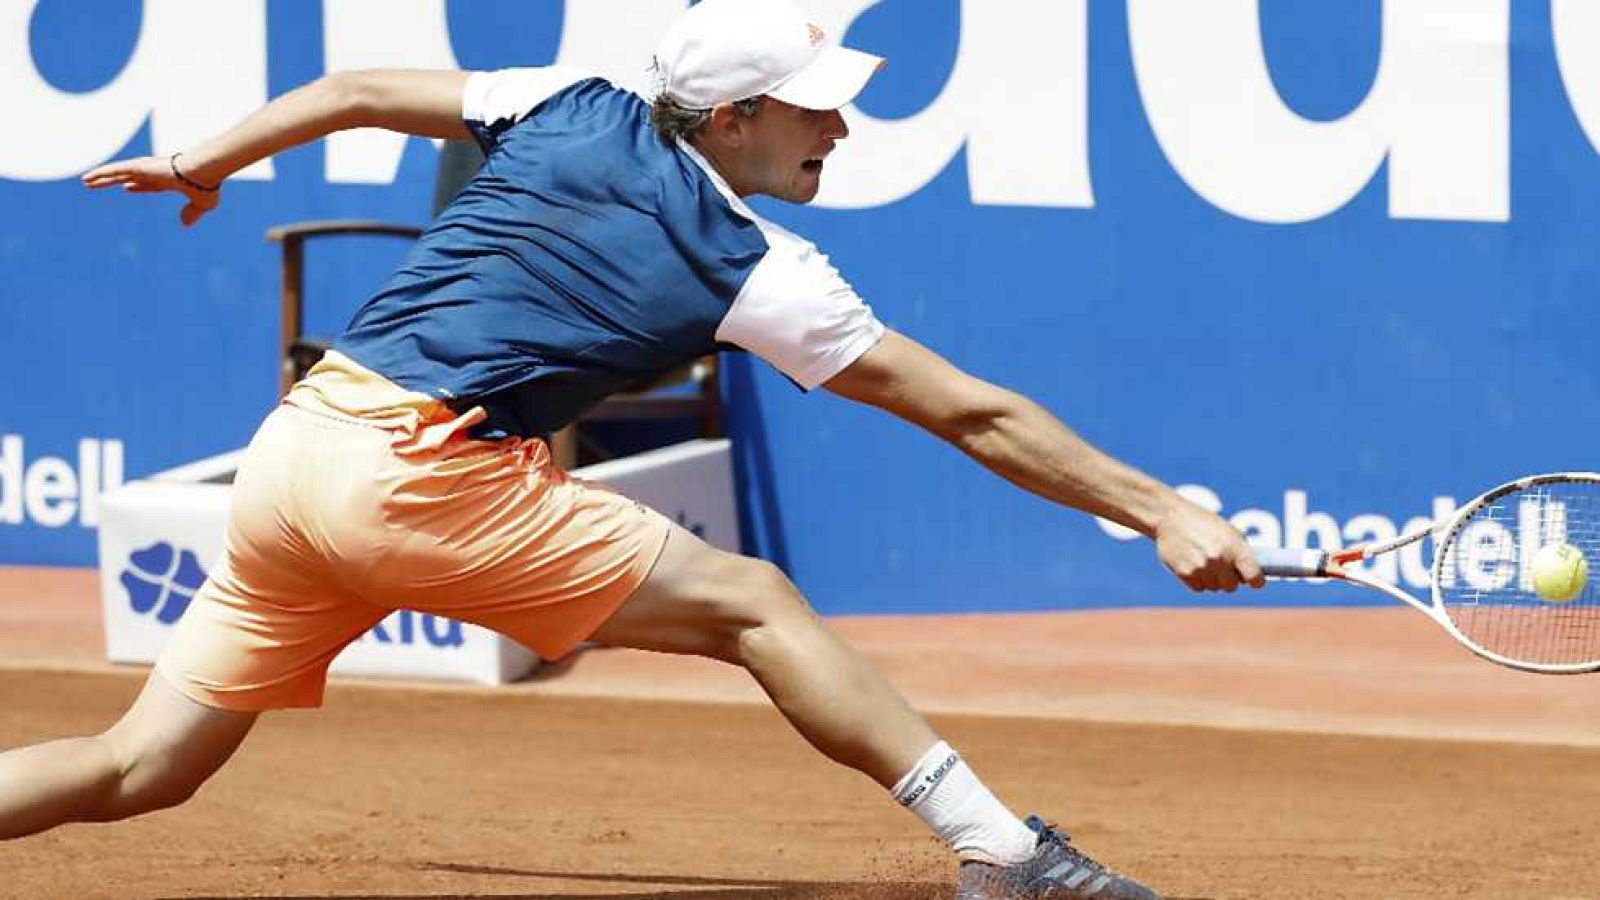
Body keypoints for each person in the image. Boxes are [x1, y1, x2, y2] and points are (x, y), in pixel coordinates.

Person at [2, 2, 1264, 897]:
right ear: (737, 116)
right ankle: (1007, 851)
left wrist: (195, 161)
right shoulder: (757, 267)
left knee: (138, 767)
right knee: (755, 601)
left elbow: (353, 93)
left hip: (295, 453)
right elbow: (970, 412)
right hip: (421, 475)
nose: (844, 133)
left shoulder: (562, 103)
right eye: (821, 111)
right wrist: (1156, 508)